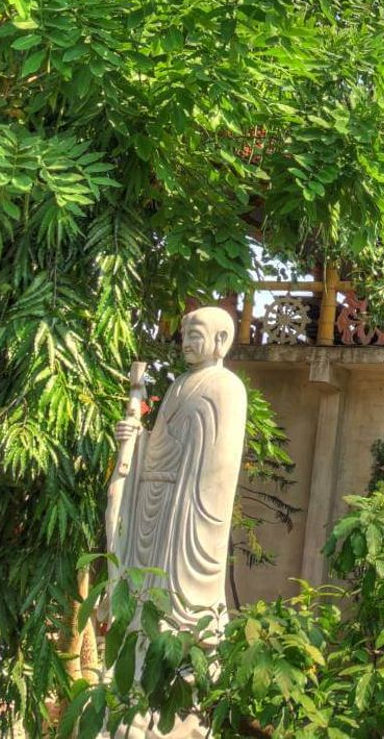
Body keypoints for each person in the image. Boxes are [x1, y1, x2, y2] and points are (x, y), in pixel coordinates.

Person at [107, 306, 247, 739]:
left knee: (177, 613)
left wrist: (180, 493)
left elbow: (217, 470)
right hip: (156, 503)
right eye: (185, 332)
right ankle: (133, 699)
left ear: (222, 341)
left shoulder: (226, 388)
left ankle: (169, 707)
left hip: (189, 517)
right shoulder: (178, 387)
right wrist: (137, 440)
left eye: (196, 333)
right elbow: (160, 448)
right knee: (141, 604)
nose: (186, 340)